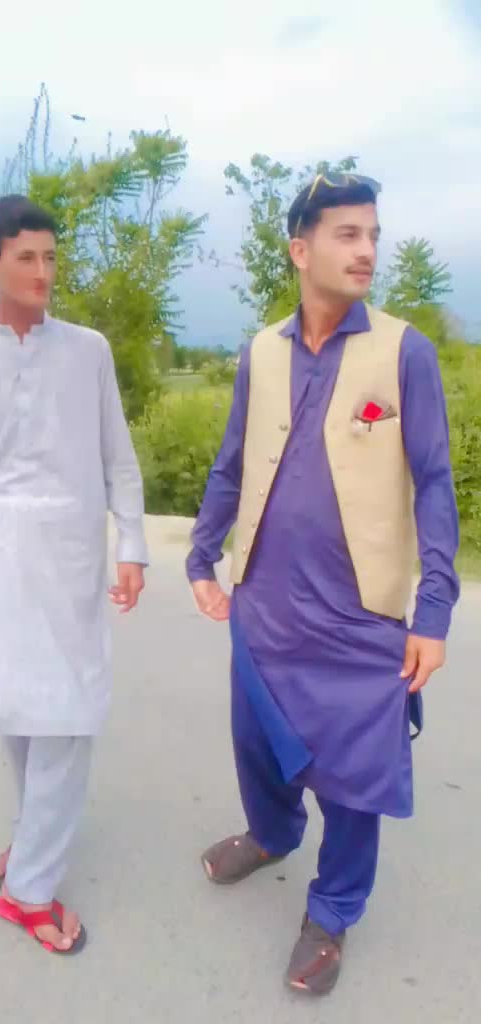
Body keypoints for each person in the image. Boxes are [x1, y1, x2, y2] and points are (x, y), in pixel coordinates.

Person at [186, 173, 460, 994]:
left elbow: (434, 482)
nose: (367, 250)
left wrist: (433, 612)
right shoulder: (261, 351)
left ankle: (333, 910)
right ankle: (273, 833)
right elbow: (234, 460)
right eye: (348, 234)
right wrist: (201, 553)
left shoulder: (403, 352)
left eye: (372, 234)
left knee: (355, 777)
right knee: (258, 742)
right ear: (300, 250)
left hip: (360, 612)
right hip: (265, 597)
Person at [0, 194, 148, 955]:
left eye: (50, 257)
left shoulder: (88, 351)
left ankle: (29, 873)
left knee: (69, 715)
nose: (43, 272)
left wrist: (132, 545)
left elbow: (117, 457)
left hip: (68, 559)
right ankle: (30, 878)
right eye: (26, 258)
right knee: (20, 709)